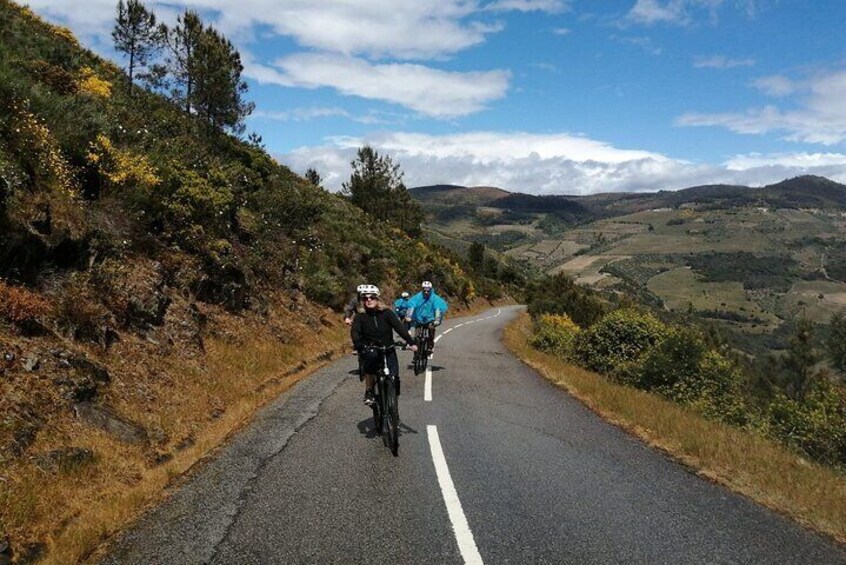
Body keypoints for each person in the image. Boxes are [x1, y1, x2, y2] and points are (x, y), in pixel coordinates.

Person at [351, 285, 417, 405]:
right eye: (365, 298)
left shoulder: (386, 313)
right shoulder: (360, 316)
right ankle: (369, 391)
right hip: (371, 349)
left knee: (395, 378)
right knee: (370, 365)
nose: (369, 300)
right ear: (362, 301)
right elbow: (355, 332)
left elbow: (399, 327)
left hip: (388, 348)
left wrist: (411, 342)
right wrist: (359, 345)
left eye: (372, 297)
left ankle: (393, 408)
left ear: (377, 299)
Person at [405, 280, 448, 355]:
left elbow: (437, 308)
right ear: (422, 289)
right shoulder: (418, 297)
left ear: (431, 290)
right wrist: (408, 316)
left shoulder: (434, 298)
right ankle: (416, 353)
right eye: (424, 290)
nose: (426, 292)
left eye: (428, 290)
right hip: (419, 319)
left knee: (431, 329)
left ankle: (430, 346)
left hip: (430, 319)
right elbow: (412, 305)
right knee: (416, 336)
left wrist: (437, 320)